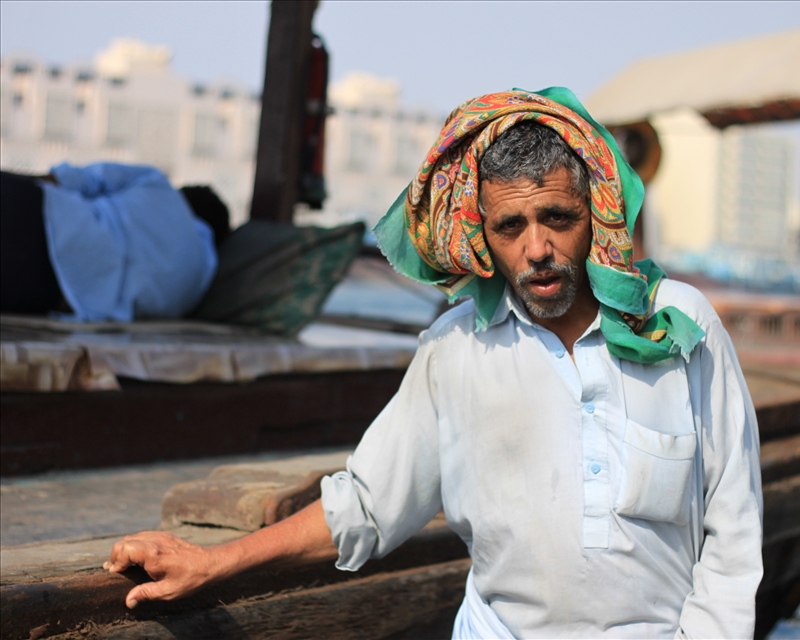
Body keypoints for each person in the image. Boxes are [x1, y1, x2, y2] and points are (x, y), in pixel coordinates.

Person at [105, 88, 763, 639]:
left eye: (557, 218)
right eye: (511, 226)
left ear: (595, 216)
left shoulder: (681, 324)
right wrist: (213, 563)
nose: (536, 247)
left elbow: (731, 537)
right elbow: (364, 505)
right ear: (482, 236)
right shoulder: (455, 348)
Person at [0, 163, 229, 321]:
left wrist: (14, 184)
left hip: (43, 217)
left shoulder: (158, 184)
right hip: (50, 293)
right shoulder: (196, 287)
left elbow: (72, 179)